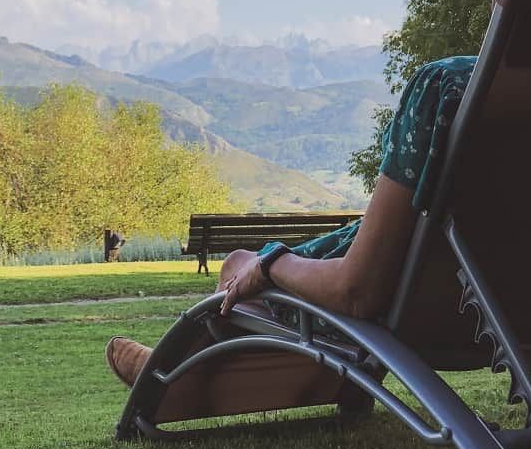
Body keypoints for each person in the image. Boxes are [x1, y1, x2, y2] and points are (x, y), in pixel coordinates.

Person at [106, 55, 477, 385]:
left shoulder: (447, 85)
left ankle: (168, 373)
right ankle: (182, 368)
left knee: (238, 265)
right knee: (249, 271)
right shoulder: (519, 101)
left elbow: (356, 293)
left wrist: (269, 266)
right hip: (501, 321)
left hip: (419, 316)